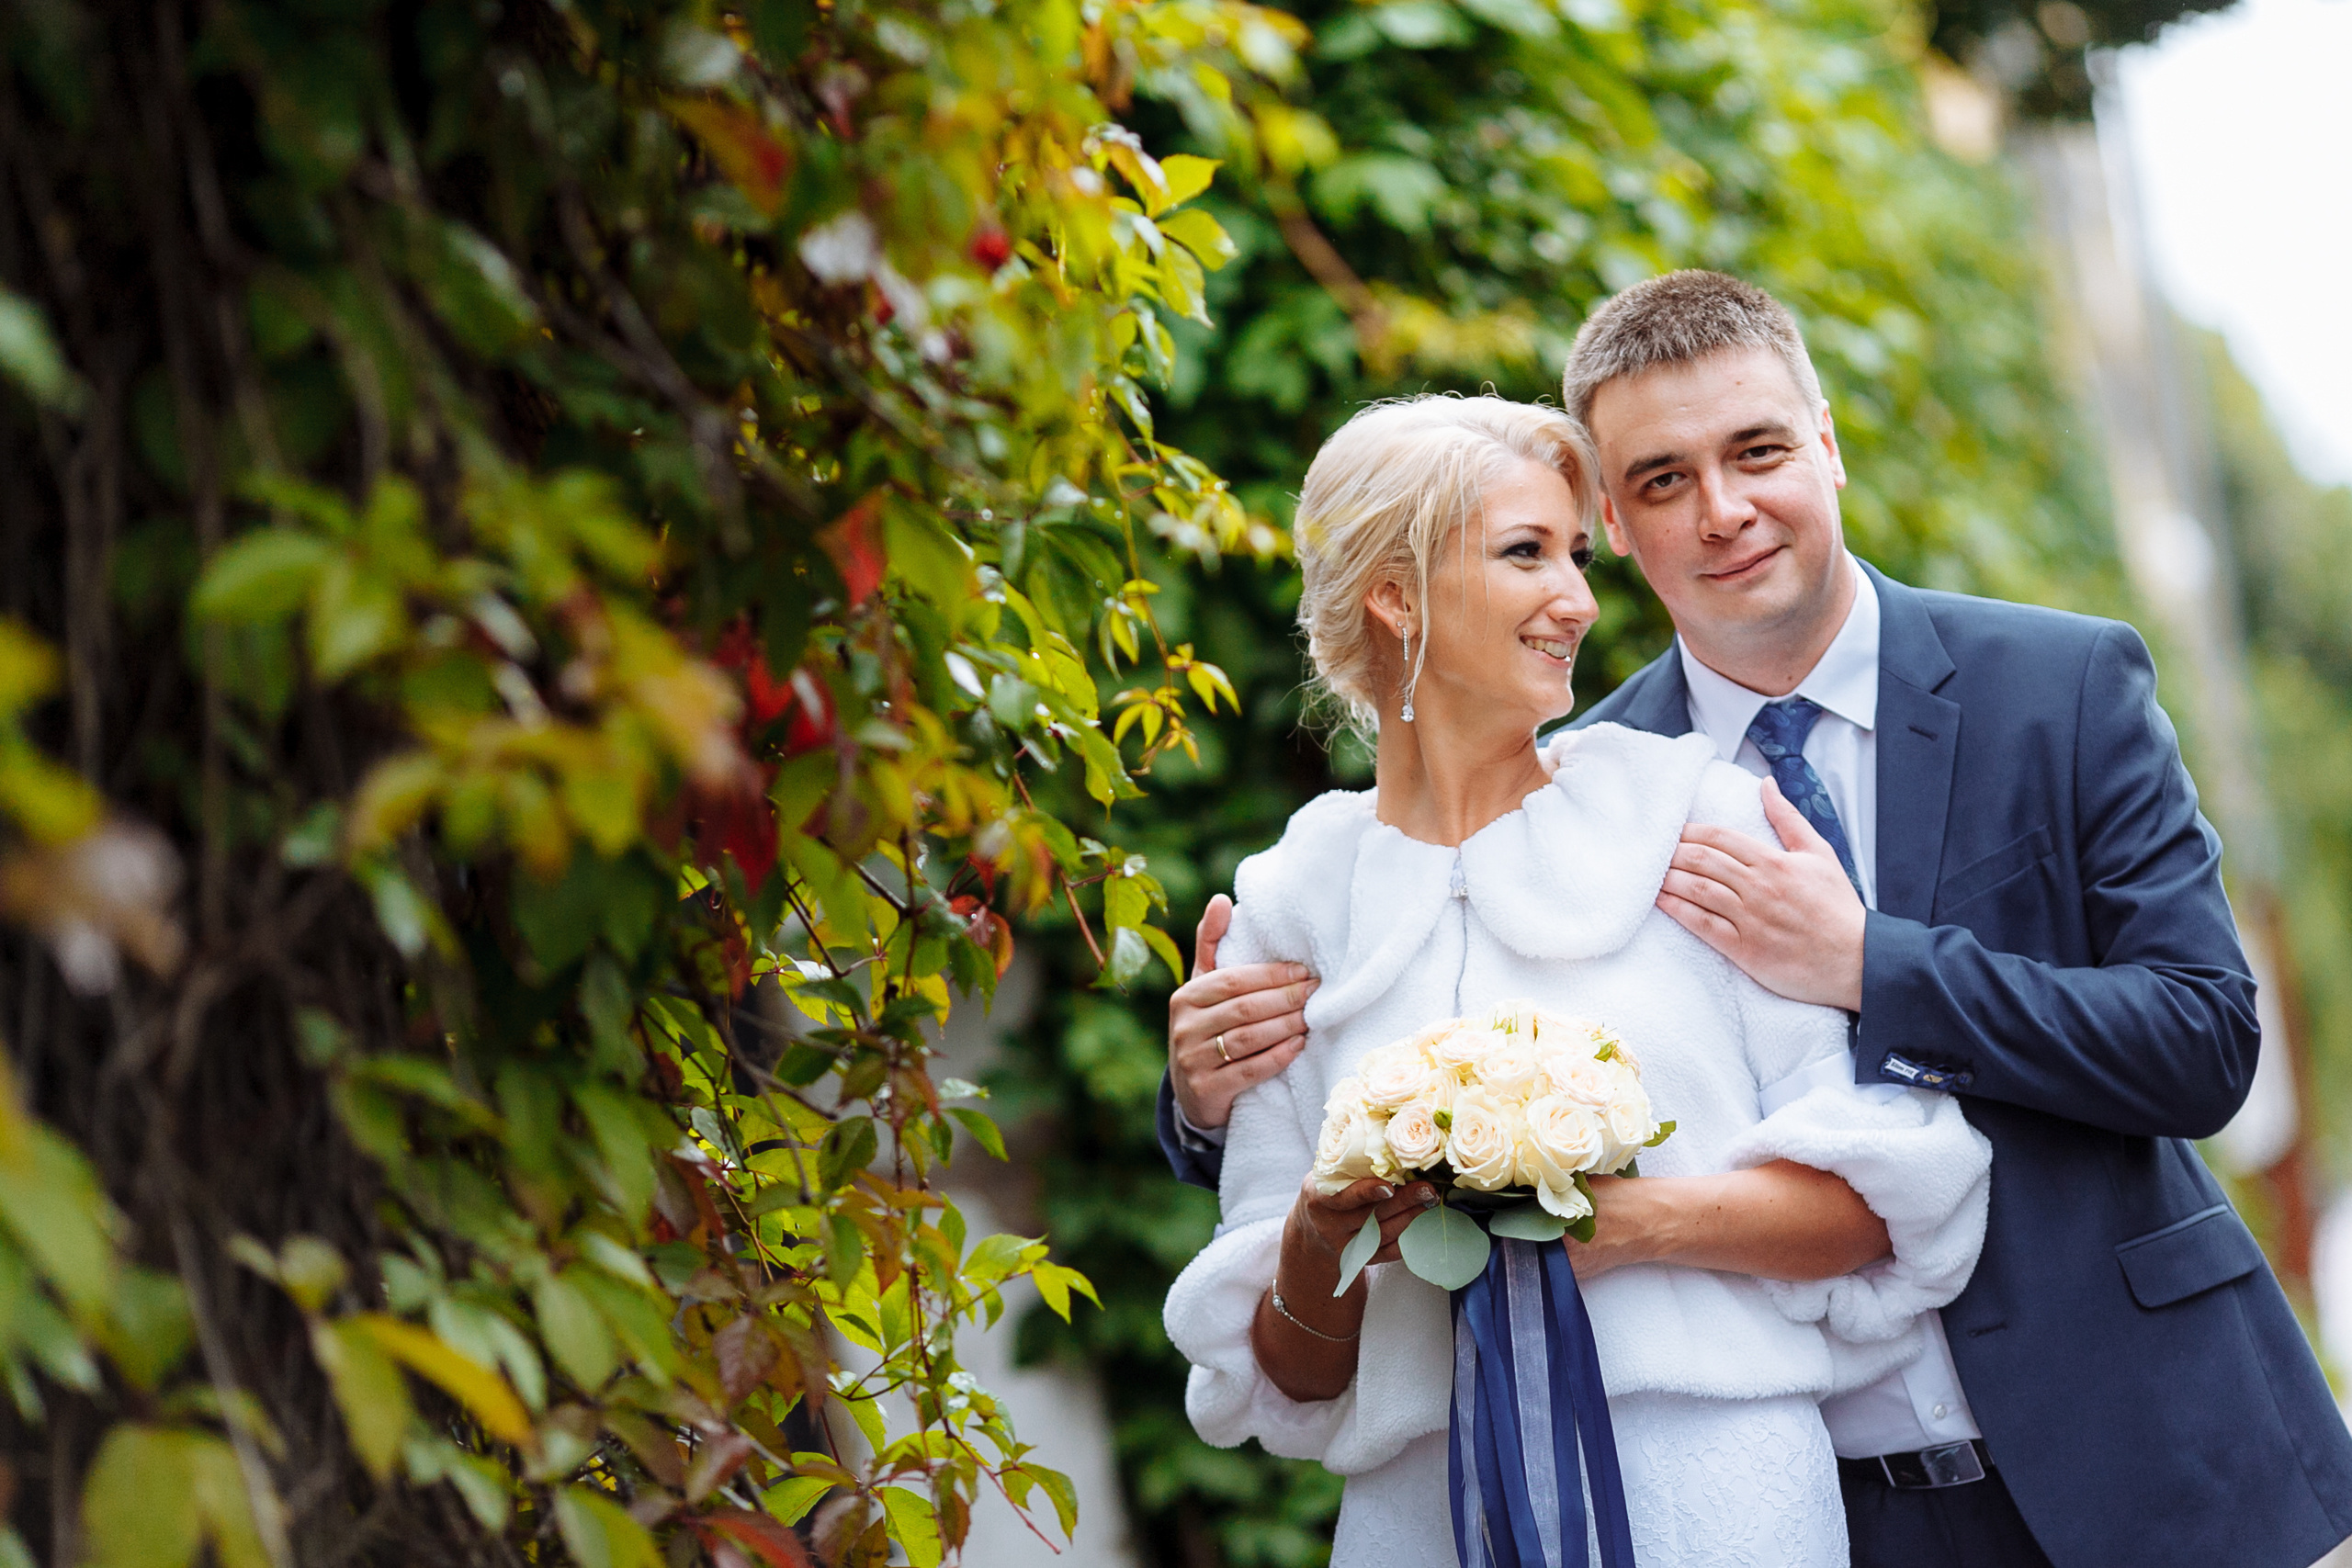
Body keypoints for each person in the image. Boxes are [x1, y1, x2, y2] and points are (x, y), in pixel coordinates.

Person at [1162, 272, 2352, 1568]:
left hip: (2148, 1446)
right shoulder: (1588, 788)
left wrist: (1867, 963)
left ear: (1828, 446)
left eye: (1759, 451)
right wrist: (1204, 1099)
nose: (1724, 509)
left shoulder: (2058, 683)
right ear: (1614, 518)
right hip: (1831, 1496)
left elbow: (2201, 1039)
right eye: (1662, 480)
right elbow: (1392, 1028)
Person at [1160, 392, 1993, 1567]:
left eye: (1577, 555)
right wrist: (1318, 1227)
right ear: (1395, 597)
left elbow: (1883, 1200)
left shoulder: (1691, 818)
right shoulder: (1292, 903)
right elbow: (1290, 1371)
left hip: (1720, 1497)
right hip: (1422, 1519)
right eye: (1524, 554)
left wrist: (1613, 1222)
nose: (1581, 601)